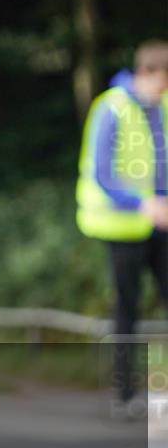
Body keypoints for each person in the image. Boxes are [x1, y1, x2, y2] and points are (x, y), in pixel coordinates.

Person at [76, 39, 168, 409]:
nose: (165, 89)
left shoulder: (162, 107)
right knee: (127, 311)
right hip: (122, 227)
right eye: (162, 81)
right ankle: (124, 394)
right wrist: (143, 204)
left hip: (160, 225)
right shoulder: (111, 107)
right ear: (144, 72)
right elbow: (102, 174)